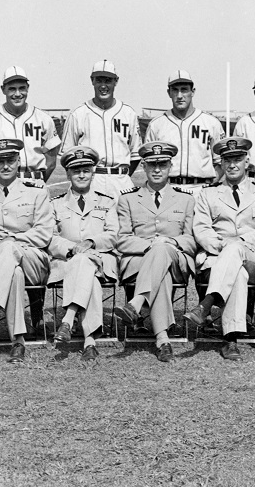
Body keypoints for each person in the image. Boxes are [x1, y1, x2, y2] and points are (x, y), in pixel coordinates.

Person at [0, 138, 56, 363]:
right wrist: (3, 248)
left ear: (19, 162)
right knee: (13, 272)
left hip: (33, 259)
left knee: (9, 250)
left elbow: (43, 234)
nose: (6, 166)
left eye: (11, 160)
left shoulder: (37, 193)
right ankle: (18, 341)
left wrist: (10, 243)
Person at [185, 137, 255, 361]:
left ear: (247, 161)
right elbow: (202, 230)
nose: (232, 165)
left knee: (238, 254)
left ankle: (206, 304)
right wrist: (225, 247)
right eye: (227, 160)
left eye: (237, 159)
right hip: (216, 258)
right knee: (238, 274)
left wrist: (237, 242)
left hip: (254, 257)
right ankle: (230, 339)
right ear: (221, 164)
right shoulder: (207, 194)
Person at [112, 142, 198, 362]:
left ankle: (137, 303)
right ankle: (162, 339)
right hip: (138, 262)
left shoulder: (186, 199)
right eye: (152, 165)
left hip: (175, 258)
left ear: (171, 166)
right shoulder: (128, 198)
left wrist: (168, 242)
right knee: (162, 272)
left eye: (162, 164)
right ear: (144, 166)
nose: (157, 169)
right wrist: (151, 246)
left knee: (162, 251)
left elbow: (190, 239)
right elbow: (122, 240)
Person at [48, 146, 119, 361]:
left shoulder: (107, 202)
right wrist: (71, 248)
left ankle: (68, 320)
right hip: (68, 261)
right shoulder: (55, 203)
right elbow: (49, 238)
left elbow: (113, 234)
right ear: (68, 174)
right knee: (88, 274)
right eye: (76, 170)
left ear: (92, 173)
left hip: (101, 260)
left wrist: (90, 242)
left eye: (86, 170)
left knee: (85, 262)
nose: (81, 175)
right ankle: (90, 341)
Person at [60, 60, 141, 197]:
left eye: (108, 80)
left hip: (121, 181)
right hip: (91, 180)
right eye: (99, 80)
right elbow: (67, 156)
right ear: (92, 81)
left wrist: (119, 175)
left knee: (123, 218)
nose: (103, 86)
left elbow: (135, 155)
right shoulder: (78, 114)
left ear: (116, 81)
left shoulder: (128, 113)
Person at [0, 66, 61, 185]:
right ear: (3, 89)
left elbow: (51, 161)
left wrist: (39, 181)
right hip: (0, 182)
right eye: (12, 89)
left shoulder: (43, 119)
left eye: (22, 88)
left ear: (28, 88)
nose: (17, 94)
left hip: (34, 180)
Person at [144, 70, 224, 189]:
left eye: (184, 89)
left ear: (193, 92)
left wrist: (210, 185)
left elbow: (221, 161)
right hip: (168, 188)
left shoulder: (211, 122)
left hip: (201, 188)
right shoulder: (157, 124)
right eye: (175, 90)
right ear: (169, 92)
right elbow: (147, 162)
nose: (180, 95)